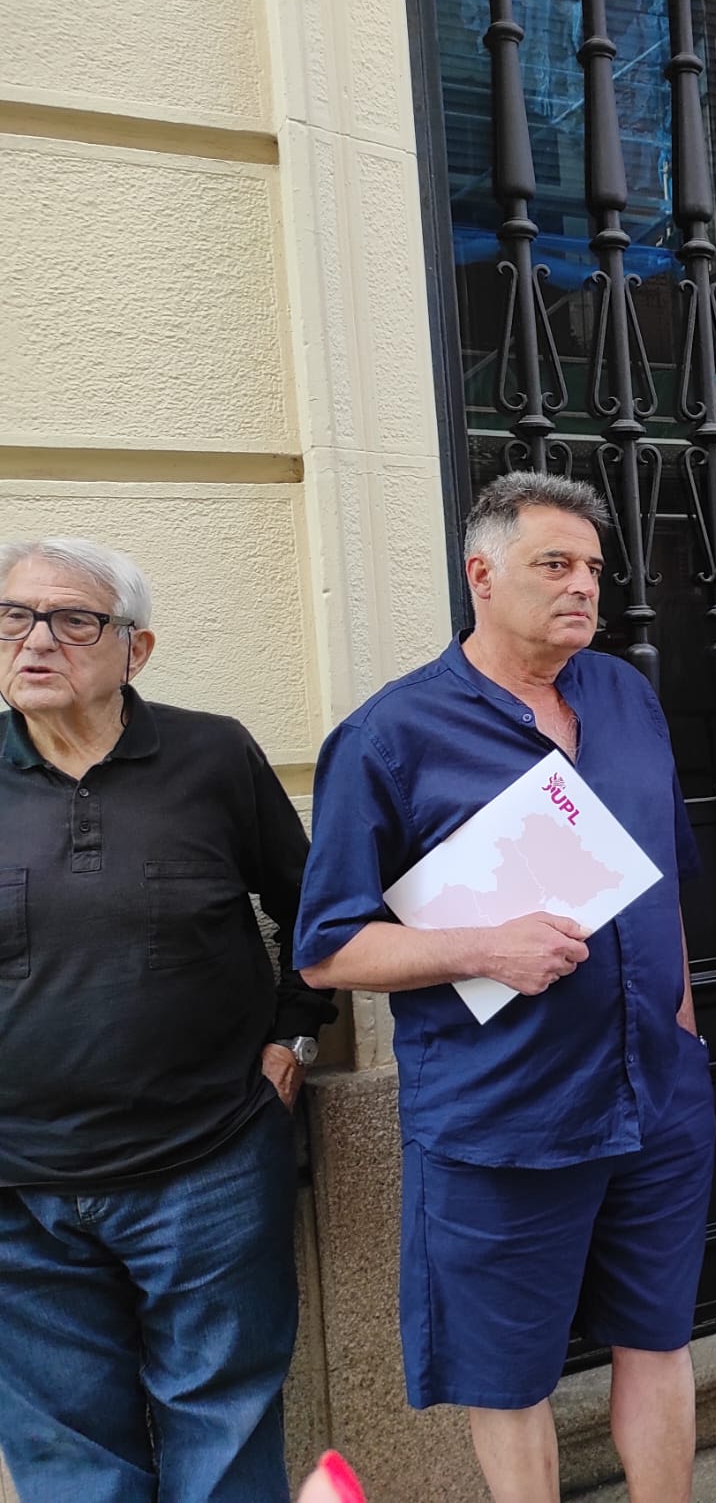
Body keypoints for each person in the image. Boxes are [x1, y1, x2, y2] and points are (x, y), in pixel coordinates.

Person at [293, 472, 714, 1503]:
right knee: (510, 1376)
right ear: (480, 574)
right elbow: (326, 949)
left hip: (654, 1093)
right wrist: (482, 946)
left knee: (657, 1337)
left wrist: (686, 1029)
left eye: (593, 568)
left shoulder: (623, 694)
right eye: (554, 565)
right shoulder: (391, 735)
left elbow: (661, 879)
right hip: (504, 1117)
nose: (584, 587)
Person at [0, 537, 334, 1503]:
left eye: (74, 620)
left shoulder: (214, 754)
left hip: (209, 1166)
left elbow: (314, 911)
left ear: (134, 651)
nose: (36, 641)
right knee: (67, 1460)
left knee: (224, 1431)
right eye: (15, 616)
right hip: (19, 1196)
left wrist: (296, 1035)